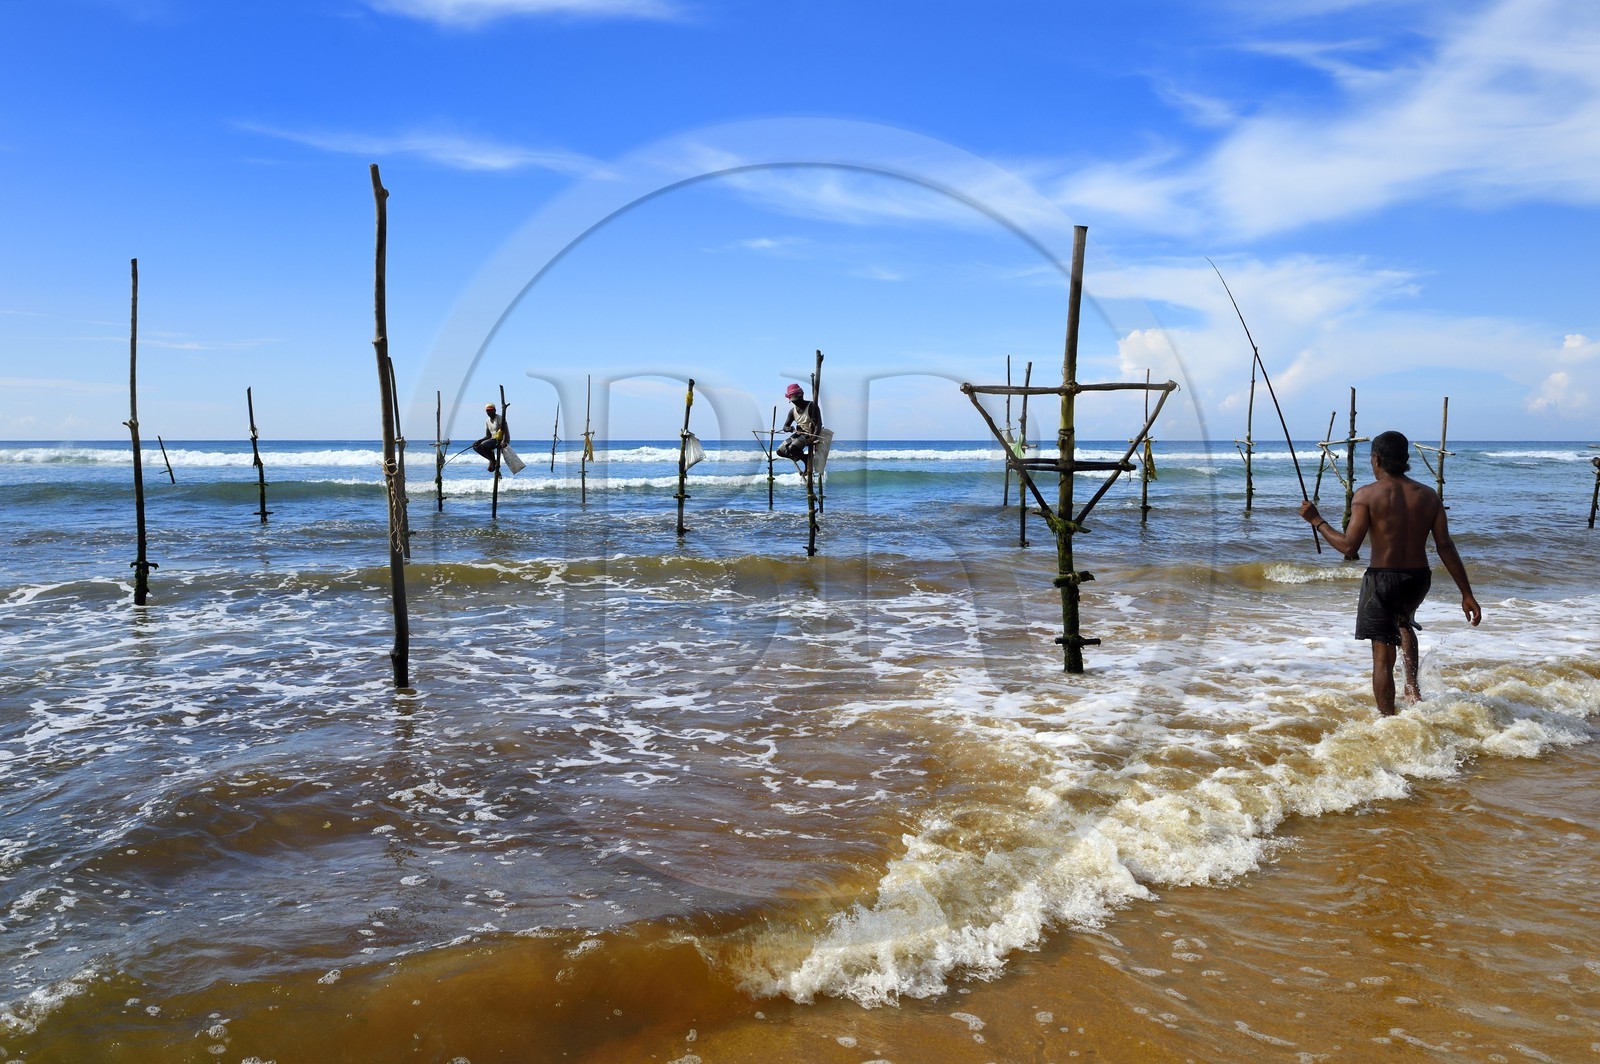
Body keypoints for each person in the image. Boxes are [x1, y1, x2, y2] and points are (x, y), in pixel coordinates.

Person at [1298, 430, 1481, 716]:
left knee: (1382, 656)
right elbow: (1445, 546)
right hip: (1418, 579)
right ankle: (1412, 688)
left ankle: (1388, 721)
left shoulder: (1367, 495)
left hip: (1383, 580)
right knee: (1404, 622)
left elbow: (1348, 547)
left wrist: (1316, 520)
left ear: (1377, 460)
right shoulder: (1429, 496)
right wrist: (1467, 594)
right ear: (1406, 460)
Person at [776, 383, 823, 475]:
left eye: (796, 400)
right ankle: (805, 458)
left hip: (809, 434)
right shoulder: (792, 411)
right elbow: (785, 427)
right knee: (780, 451)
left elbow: (818, 424)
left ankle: (805, 460)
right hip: (799, 434)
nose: (795, 402)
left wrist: (813, 438)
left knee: (792, 448)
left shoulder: (812, 406)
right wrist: (788, 428)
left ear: (801, 396)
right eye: (792, 401)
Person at [473, 402, 508, 472]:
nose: (489, 412)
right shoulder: (487, 421)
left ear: (495, 410)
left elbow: (505, 431)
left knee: (483, 445)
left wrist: (504, 441)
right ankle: (492, 460)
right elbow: (488, 436)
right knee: (476, 447)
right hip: (492, 439)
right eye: (488, 410)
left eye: (491, 410)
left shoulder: (500, 418)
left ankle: (492, 461)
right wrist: (479, 441)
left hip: (499, 440)